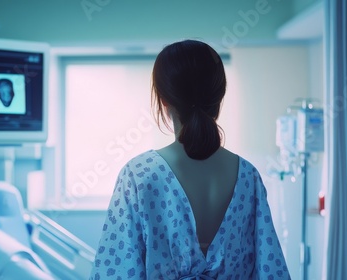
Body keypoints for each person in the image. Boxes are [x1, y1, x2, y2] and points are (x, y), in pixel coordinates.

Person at [89, 40, 290, 279]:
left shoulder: (139, 175)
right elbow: (271, 270)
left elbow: (117, 272)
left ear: (163, 99)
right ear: (219, 95)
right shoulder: (248, 176)